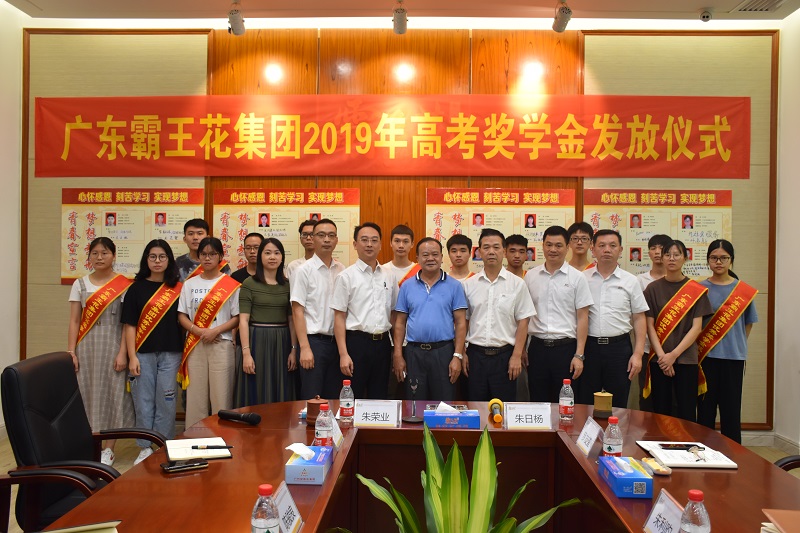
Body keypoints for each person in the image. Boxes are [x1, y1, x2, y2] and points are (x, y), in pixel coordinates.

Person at [67, 237, 134, 466]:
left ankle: (109, 449)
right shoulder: (80, 284)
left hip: (113, 344)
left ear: (114, 256)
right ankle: (88, 445)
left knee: (112, 393)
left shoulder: (124, 285)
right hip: (86, 346)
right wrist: (71, 351)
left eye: (104, 253)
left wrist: (123, 353)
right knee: (85, 393)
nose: (99, 257)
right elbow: (74, 321)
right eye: (94, 253)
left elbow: (126, 323)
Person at [121, 239, 183, 465]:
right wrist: (132, 356)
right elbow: (129, 325)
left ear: (169, 260)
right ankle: (145, 446)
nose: (157, 261)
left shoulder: (178, 288)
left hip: (171, 353)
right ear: (146, 260)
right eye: (153, 257)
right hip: (143, 354)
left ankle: (163, 445)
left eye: (162, 257)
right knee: (144, 400)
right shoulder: (135, 288)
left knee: (167, 399)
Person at [642, 239, 712, 422]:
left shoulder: (696, 290)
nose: (671, 258)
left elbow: (697, 328)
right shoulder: (652, 289)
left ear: (685, 258)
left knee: (686, 411)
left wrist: (673, 355)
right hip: (659, 359)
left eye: (676, 254)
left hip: (686, 358)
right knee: (661, 411)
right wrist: (662, 357)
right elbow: (649, 326)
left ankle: (686, 442)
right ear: (662, 258)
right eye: (667, 254)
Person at [697, 240, 758, 443]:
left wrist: (734, 344)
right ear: (708, 260)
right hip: (705, 358)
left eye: (724, 258)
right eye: (714, 258)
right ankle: (702, 453)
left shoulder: (743, 291)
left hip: (733, 358)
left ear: (731, 260)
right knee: (705, 410)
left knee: (731, 411)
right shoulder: (699, 288)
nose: (719, 262)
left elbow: (748, 324)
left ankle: (733, 454)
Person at [463, 229, 535, 402]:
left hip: (505, 357)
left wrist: (516, 355)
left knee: (503, 409)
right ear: (479, 252)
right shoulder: (469, 285)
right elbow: (463, 321)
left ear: (504, 251)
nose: (491, 252)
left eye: (496, 247)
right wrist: (462, 353)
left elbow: (523, 321)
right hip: (475, 356)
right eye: (486, 247)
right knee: (475, 406)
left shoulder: (517, 284)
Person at [393, 237, 467, 401]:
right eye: (425, 255)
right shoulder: (407, 286)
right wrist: (398, 354)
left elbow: (461, 323)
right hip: (414, 352)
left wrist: (457, 356)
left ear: (441, 257)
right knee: (415, 402)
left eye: (435, 254)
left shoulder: (454, 286)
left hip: (444, 352)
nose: (430, 258)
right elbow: (399, 323)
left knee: (443, 403)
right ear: (418, 258)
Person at [579, 230, 648, 408]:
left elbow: (639, 318)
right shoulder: (582, 279)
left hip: (619, 349)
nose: (607, 250)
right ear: (593, 249)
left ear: (620, 249)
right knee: (585, 402)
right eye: (601, 245)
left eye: (612, 245)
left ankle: (616, 428)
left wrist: (638, 354)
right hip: (589, 348)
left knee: (618, 404)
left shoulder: (630, 281)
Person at [524, 226, 593, 403]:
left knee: (565, 403)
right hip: (537, 349)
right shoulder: (531, 276)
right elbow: (524, 315)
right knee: (538, 400)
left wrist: (579, 355)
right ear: (542, 246)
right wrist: (523, 349)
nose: (553, 249)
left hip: (566, 350)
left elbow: (583, 317)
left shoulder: (577, 278)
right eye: (549, 245)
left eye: (558, 245)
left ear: (567, 247)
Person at [177, 237, 241, 428]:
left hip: (221, 343)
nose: (207, 258)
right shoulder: (189, 284)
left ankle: (224, 437)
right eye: (203, 254)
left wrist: (216, 331)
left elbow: (237, 317)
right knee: (196, 398)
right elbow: (182, 315)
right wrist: (198, 330)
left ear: (220, 256)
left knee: (222, 396)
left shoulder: (230, 284)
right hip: (195, 344)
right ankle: (195, 439)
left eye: (212, 254)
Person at [332, 223, 398, 399]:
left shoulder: (389, 275)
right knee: (353, 397)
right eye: (364, 240)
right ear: (355, 244)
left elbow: (394, 313)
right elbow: (339, 317)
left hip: (383, 344)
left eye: (374, 240)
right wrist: (343, 354)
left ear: (380, 245)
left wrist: (396, 349)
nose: (369, 244)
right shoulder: (346, 276)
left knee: (380, 396)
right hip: (356, 344)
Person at [236, 237, 297, 406]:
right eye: (267, 253)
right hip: (257, 342)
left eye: (277, 253)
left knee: (281, 388)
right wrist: (246, 354)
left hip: (282, 342)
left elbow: (292, 320)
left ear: (282, 257)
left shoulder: (288, 285)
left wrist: (293, 350)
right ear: (260, 256)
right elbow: (243, 320)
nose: (272, 257)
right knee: (257, 389)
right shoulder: (249, 283)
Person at [291, 218, 346, 399]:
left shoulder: (342, 270)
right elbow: (297, 311)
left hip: (337, 344)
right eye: (321, 235)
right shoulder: (303, 270)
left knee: (334, 399)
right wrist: (304, 348)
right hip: (313, 343)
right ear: (313, 239)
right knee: (312, 398)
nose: (326, 240)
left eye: (331, 235)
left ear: (336, 240)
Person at [634, 233, 672, 411]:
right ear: (648, 252)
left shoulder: (680, 282)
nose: (657, 252)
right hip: (647, 350)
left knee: (672, 400)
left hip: (673, 350)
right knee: (647, 398)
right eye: (653, 248)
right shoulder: (639, 281)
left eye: (662, 248)